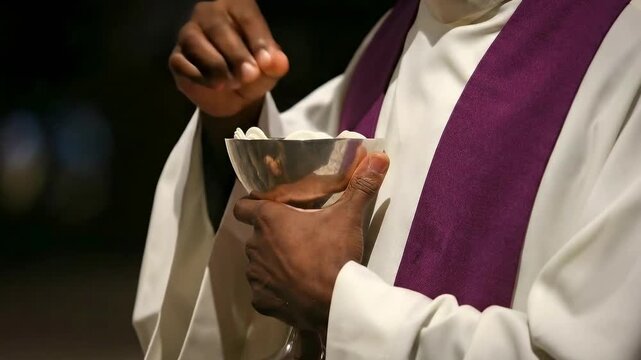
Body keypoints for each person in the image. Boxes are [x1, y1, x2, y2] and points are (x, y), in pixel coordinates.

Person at [133, 0, 641, 358]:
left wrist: (340, 301)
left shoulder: (625, 49)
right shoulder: (397, 33)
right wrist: (233, 114)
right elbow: (289, 193)